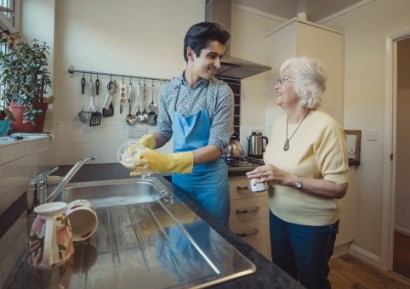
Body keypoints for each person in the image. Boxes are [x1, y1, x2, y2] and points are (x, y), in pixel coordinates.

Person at [246, 56, 349, 289]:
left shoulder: (327, 127)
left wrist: (288, 178)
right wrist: (266, 176)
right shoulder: (278, 123)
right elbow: (280, 164)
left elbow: (339, 187)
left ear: (304, 87)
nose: (276, 85)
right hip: (278, 215)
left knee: (313, 282)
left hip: (312, 224)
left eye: (284, 80)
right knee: (283, 277)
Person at [130, 22, 234, 227]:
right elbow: (165, 131)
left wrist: (169, 162)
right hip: (182, 182)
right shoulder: (168, 90)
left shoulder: (222, 92)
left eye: (220, 57)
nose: (218, 64)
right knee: (183, 237)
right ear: (191, 54)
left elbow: (216, 147)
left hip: (212, 184)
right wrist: (147, 142)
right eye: (212, 56)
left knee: (215, 241)